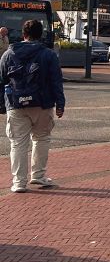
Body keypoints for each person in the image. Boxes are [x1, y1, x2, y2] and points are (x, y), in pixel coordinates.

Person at [0, 20, 65, 192]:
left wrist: (2, 105)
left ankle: (18, 183)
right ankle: (38, 176)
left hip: (15, 104)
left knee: (18, 143)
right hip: (42, 104)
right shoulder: (48, 54)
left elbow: (2, 81)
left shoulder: (8, 54)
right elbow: (56, 81)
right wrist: (60, 104)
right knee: (41, 138)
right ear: (40, 34)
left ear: (23, 34)